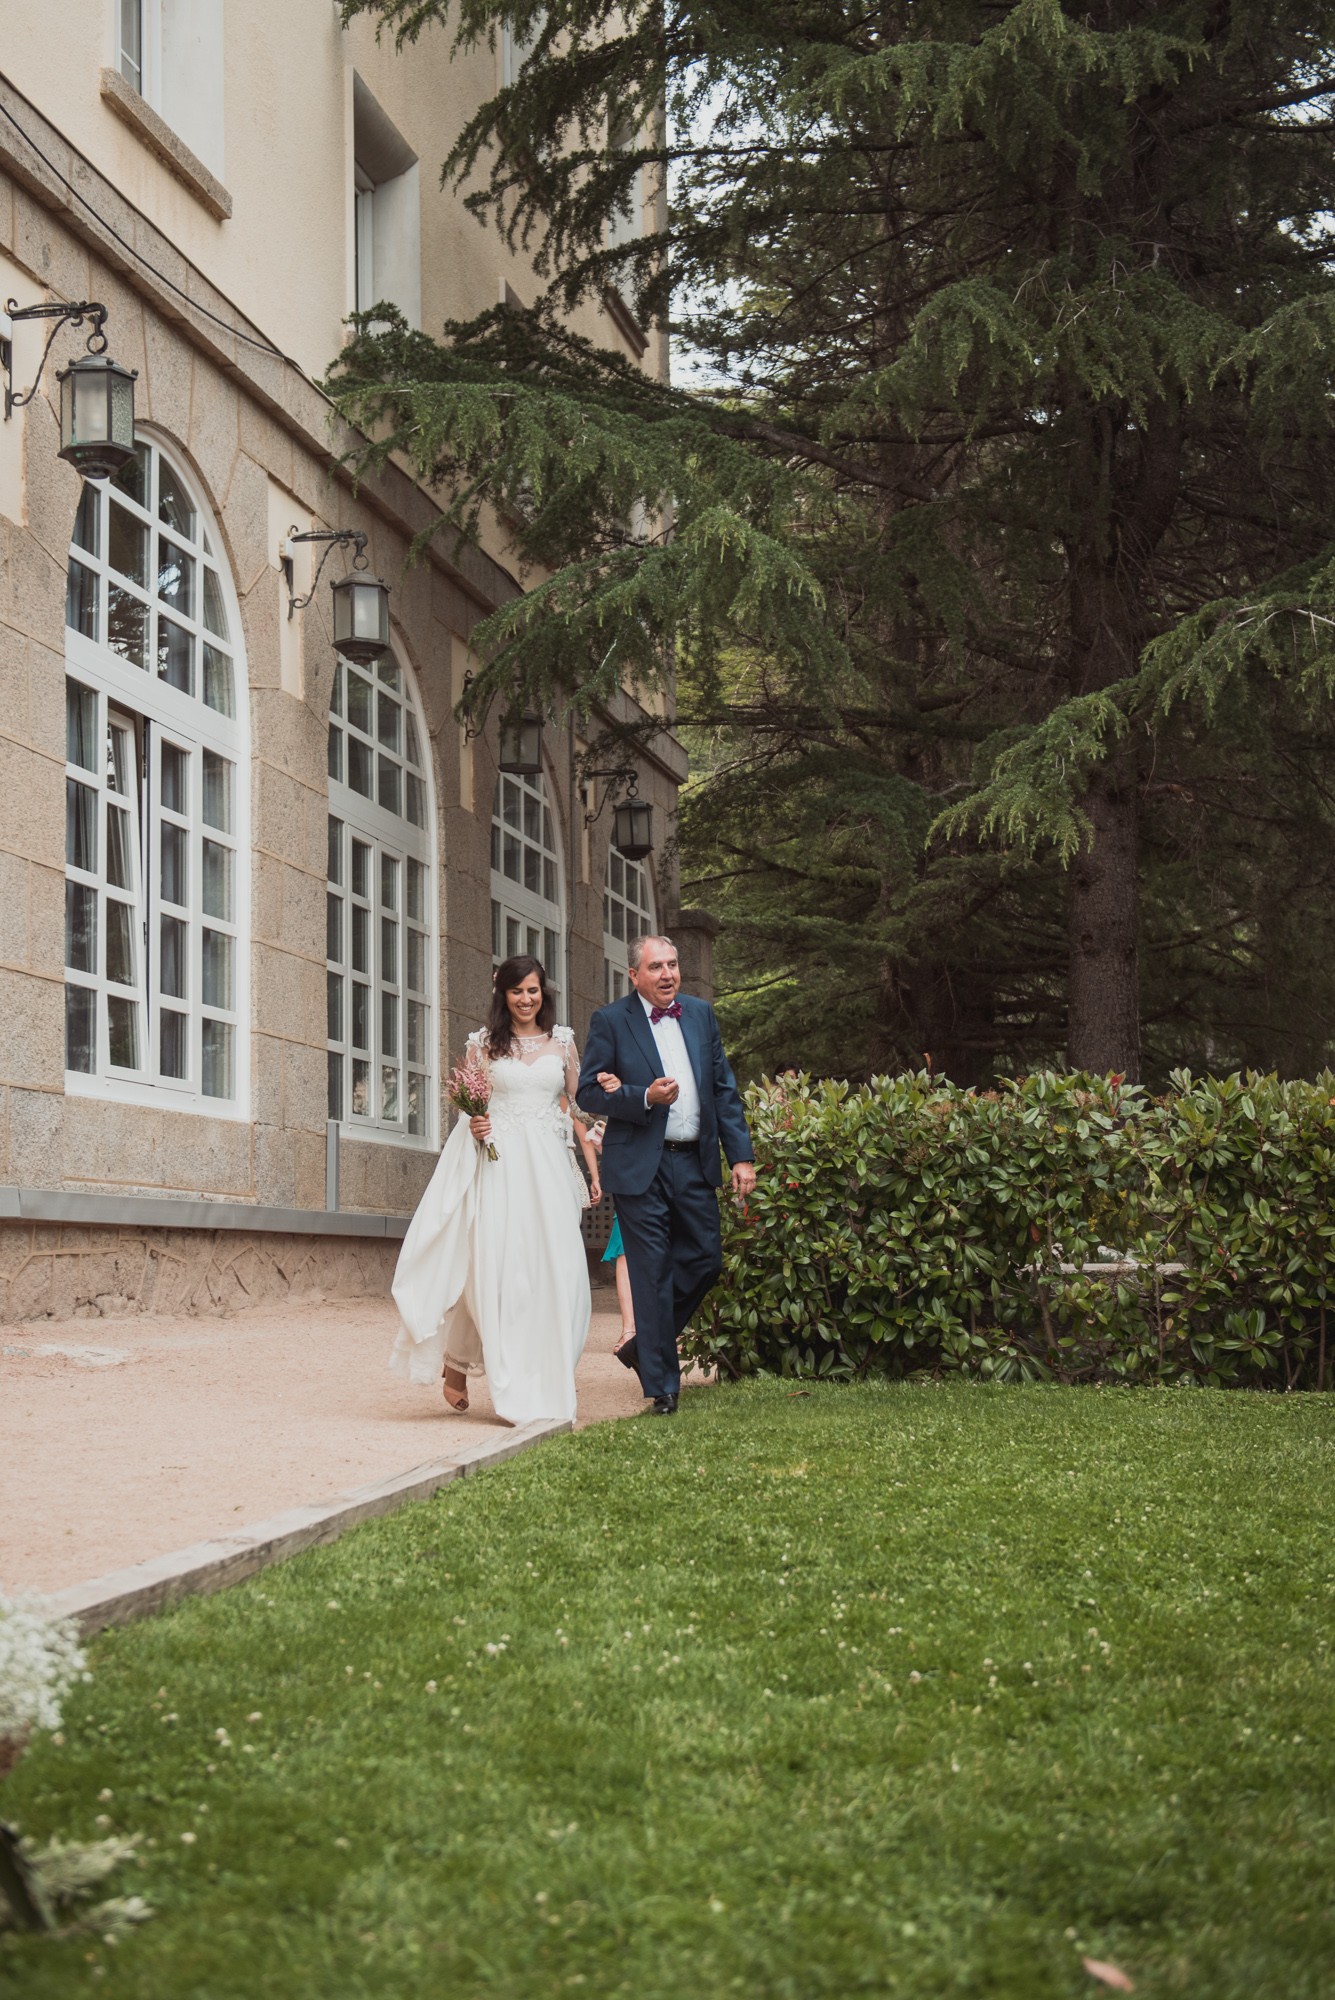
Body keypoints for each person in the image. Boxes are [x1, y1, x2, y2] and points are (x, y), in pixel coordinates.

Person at [389, 956, 600, 1425]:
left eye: (534, 990)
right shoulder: (482, 1046)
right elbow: (469, 1104)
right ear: (502, 995)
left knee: (558, 1270)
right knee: (500, 1271)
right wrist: (475, 1121)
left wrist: (600, 1128)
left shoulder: (563, 1043)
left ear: (544, 992)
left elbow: (579, 1106)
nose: (527, 999)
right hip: (499, 1166)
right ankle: (467, 1366)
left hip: (547, 1169)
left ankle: (550, 1371)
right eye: (517, 991)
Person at [578, 934, 757, 1415]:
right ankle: (663, 1386)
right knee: (651, 1271)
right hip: (641, 1164)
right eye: (655, 967)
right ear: (634, 975)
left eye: (673, 965)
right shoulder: (611, 1021)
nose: (667, 975)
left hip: (694, 1161)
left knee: (705, 1260)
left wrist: (741, 1156)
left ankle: (645, 1347)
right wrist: (640, 1097)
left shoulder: (700, 1014)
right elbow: (588, 1095)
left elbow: (723, 1088)